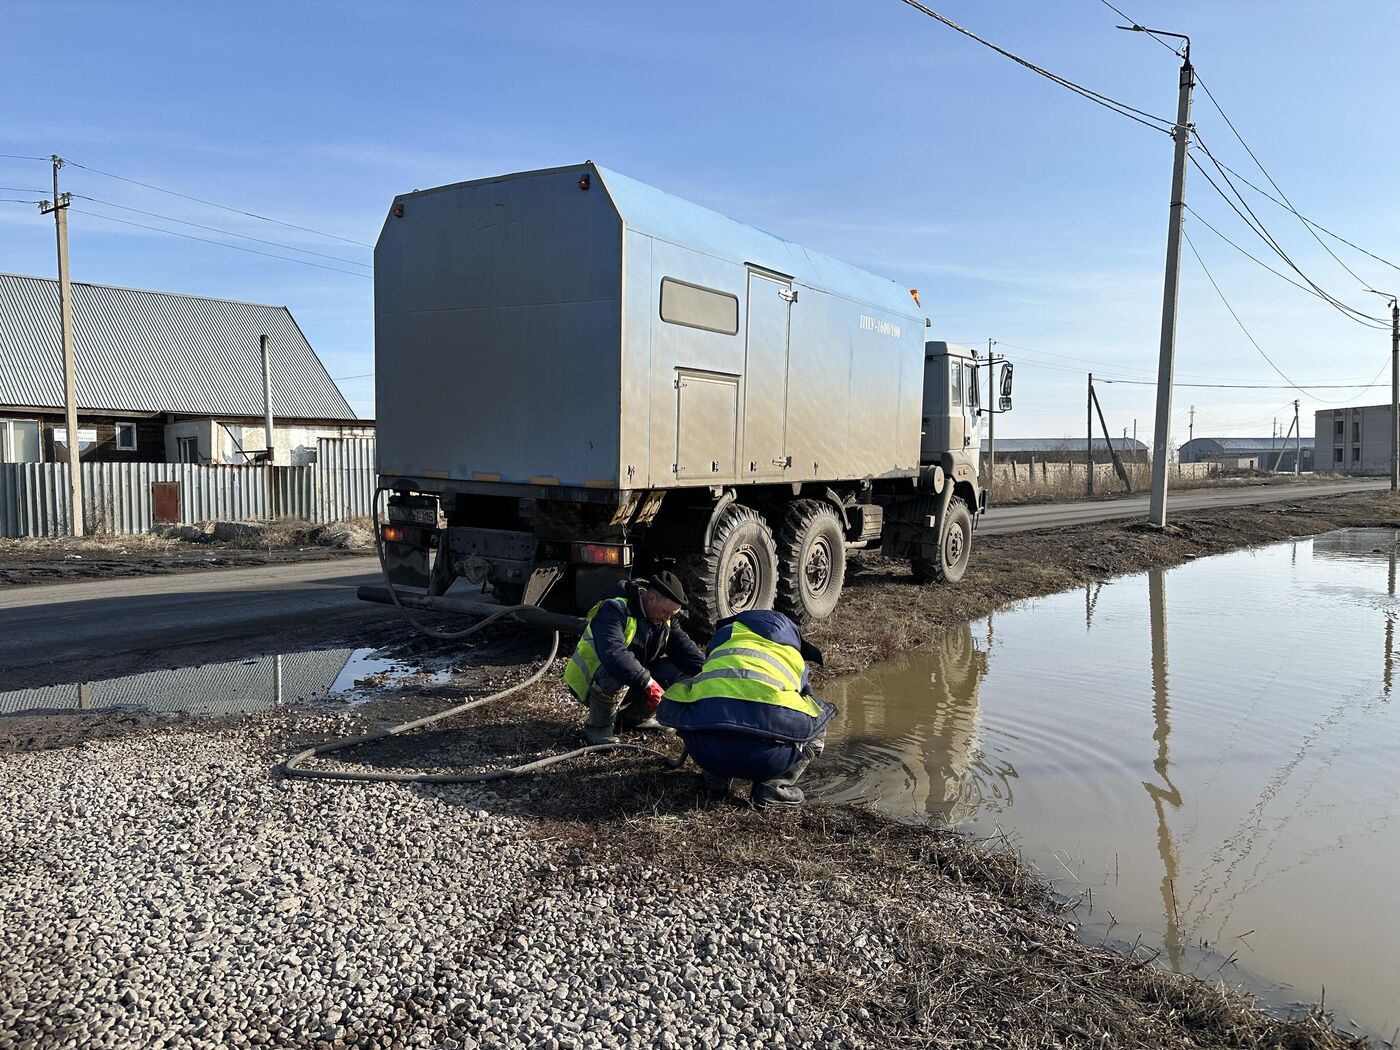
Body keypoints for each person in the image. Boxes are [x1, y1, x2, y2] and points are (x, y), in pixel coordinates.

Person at [656, 609, 834, 809]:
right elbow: (806, 700)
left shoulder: (720, 645)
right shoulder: (792, 655)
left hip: (705, 751)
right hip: (767, 758)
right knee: (818, 715)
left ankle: (715, 780)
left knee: (703, 700)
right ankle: (773, 787)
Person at [563, 571, 706, 745]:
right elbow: (613, 653)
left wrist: (710, 672)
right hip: (589, 682)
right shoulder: (614, 609)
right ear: (651, 598)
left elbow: (686, 651)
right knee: (617, 669)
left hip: (630, 680)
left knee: (677, 671)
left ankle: (635, 720)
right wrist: (648, 682)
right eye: (665, 612)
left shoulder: (664, 619)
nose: (667, 618)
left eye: (672, 615)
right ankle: (599, 729)